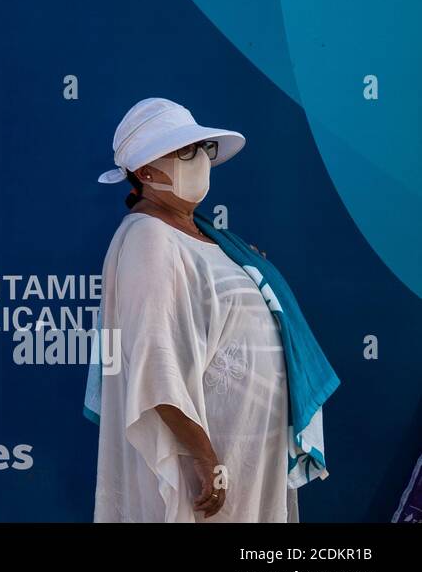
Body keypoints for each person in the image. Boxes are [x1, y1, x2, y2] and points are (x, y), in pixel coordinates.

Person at [84, 98, 338, 522]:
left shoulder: (209, 238)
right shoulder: (149, 238)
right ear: (145, 172)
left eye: (202, 148)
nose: (199, 159)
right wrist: (205, 457)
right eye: (184, 151)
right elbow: (152, 360)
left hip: (246, 453)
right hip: (206, 463)